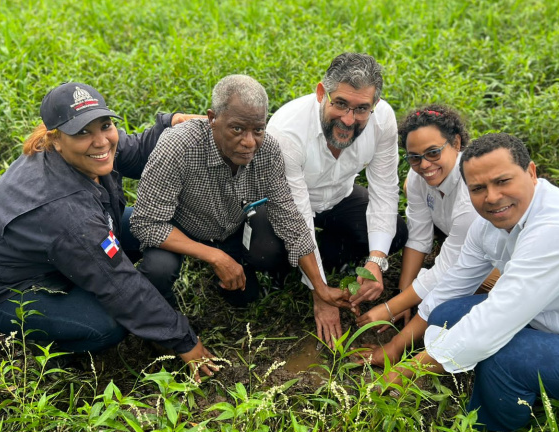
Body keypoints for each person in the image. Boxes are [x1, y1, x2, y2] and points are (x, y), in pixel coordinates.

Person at [361, 133, 559, 431]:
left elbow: (494, 322)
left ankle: (487, 423)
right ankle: (503, 383)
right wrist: (396, 348)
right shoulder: (486, 225)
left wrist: (410, 370)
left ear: (531, 173)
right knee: (446, 316)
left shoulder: (558, 229)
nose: (492, 197)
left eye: (503, 181)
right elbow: (450, 287)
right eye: (478, 188)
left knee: (502, 355)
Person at [0, 82, 218, 381]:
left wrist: (173, 123)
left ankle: (142, 310)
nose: (101, 141)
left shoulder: (93, 148)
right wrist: (185, 341)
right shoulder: (65, 211)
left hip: (66, 246)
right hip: (7, 290)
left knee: (156, 229)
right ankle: (55, 343)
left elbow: (137, 149)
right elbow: (120, 285)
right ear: (55, 139)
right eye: (82, 132)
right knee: (110, 325)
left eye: (105, 125)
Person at [129, 75, 350, 346]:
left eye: (257, 130)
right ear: (212, 118)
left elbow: (289, 219)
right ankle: (162, 322)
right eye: (237, 129)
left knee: (246, 298)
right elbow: (146, 223)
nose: (249, 142)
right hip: (179, 228)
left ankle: (225, 272)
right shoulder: (179, 146)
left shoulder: (267, 150)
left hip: (230, 229)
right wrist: (215, 257)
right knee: (159, 269)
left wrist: (321, 288)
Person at [267, 52, 408, 344]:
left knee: (395, 234)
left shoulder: (383, 120)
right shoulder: (285, 132)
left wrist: (376, 261)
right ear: (322, 93)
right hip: (287, 205)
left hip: (340, 196)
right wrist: (319, 289)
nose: (348, 119)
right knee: (265, 252)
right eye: (340, 103)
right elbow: (297, 217)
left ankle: (325, 256)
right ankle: (296, 267)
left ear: (375, 106)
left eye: (361, 109)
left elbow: (384, 189)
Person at [356, 105, 498, 334]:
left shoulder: (471, 193)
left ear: (457, 144)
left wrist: (390, 308)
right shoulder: (417, 178)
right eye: (415, 157)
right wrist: (404, 294)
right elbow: (419, 237)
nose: (424, 165)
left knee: (460, 298)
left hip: (497, 259)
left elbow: (451, 266)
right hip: (462, 247)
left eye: (433, 153)